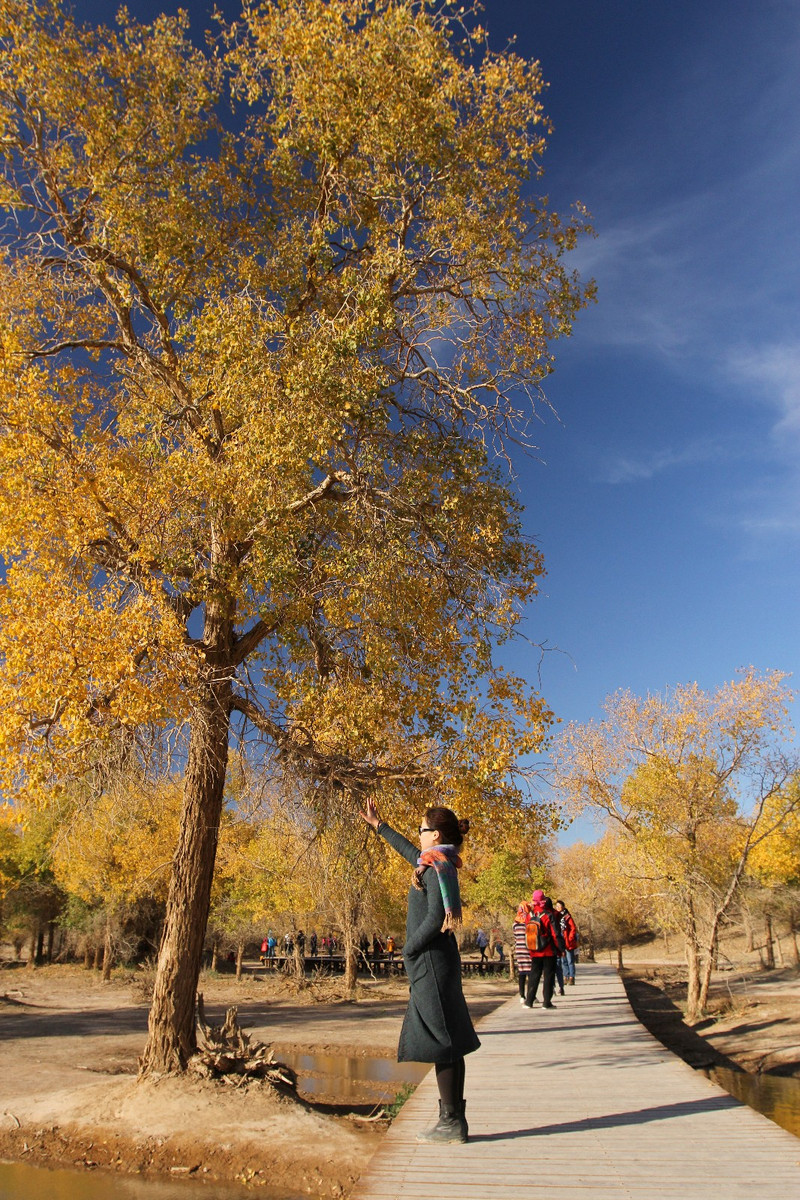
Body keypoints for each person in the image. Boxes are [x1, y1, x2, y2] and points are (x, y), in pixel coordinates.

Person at [361, 797, 479, 1144]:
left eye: (422, 829)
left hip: (431, 962)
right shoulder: (434, 861)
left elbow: (436, 919)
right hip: (435, 962)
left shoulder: (439, 867)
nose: (419, 834)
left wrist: (408, 949)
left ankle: (452, 1122)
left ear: (436, 833)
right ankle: (452, 1119)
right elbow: (408, 849)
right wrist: (379, 826)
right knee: (448, 1039)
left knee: (444, 1041)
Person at [523, 889, 561, 1009]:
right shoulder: (548, 915)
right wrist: (560, 949)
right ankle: (546, 1002)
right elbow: (555, 934)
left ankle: (529, 1001)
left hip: (534, 950)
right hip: (548, 950)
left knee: (534, 976)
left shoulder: (529, 915)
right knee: (548, 976)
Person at [512, 903, 533, 1004]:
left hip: (519, 950)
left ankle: (522, 995)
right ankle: (530, 995)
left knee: (522, 973)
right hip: (528, 950)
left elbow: (515, 938)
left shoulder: (515, 923)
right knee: (530, 973)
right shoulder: (529, 922)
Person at [555, 899, 579, 985]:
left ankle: (572, 977)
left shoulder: (567, 917)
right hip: (560, 941)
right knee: (563, 961)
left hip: (568, 942)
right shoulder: (556, 917)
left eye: (559, 906)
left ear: (563, 907)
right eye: (556, 906)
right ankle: (566, 976)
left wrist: (570, 938)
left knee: (570, 960)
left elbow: (573, 928)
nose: (557, 908)